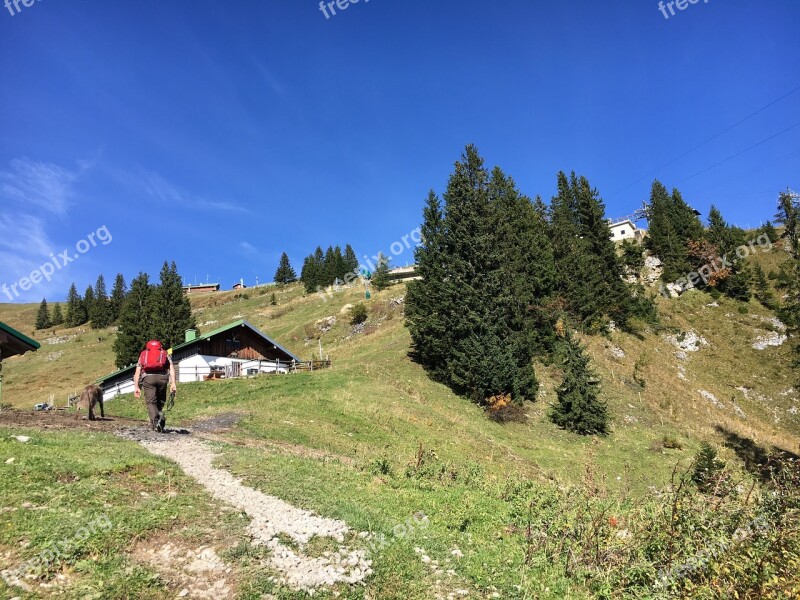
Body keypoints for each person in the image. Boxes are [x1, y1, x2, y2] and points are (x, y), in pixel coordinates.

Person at [133, 340, 177, 432]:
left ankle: (156, 423)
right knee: (160, 400)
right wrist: (173, 383)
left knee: (151, 402)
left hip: (148, 379)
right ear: (160, 346)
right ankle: (160, 417)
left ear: (147, 347)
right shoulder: (164, 353)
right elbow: (172, 368)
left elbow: (137, 373)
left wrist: (136, 387)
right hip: (162, 378)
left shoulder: (143, 354)